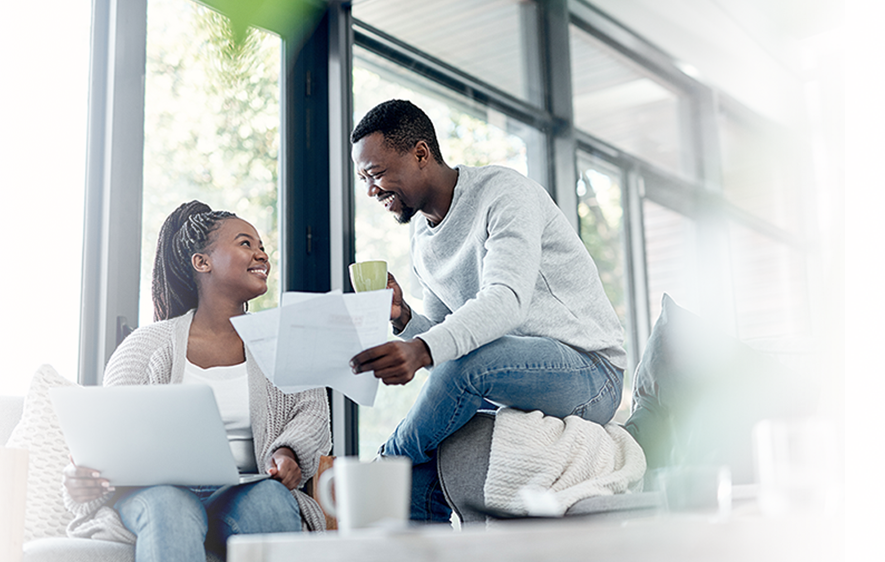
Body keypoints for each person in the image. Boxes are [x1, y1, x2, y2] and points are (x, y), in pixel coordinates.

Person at [347, 99, 628, 522]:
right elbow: (448, 333)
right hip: (513, 377)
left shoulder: (504, 193)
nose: (371, 190)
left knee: (466, 367)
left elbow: (505, 300)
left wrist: (421, 349)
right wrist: (406, 319)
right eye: (363, 179)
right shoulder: (422, 236)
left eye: (377, 174)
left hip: (591, 373)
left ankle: (385, 463)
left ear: (421, 154)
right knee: (421, 474)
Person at [63, 201, 331, 562]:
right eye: (245, 243)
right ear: (202, 263)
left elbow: (312, 411)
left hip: (245, 489)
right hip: (155, 493)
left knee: (272, 502)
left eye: (262, 246)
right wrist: (84, 479)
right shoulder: (146, 346)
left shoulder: (283, 344)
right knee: (171, 506)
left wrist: (288, 452)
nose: (261, 254)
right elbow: (107, 432)